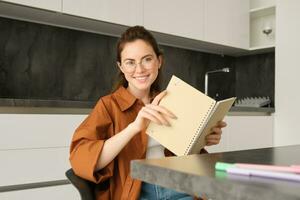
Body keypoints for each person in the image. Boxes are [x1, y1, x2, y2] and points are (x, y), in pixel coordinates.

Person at [69, 26, 226, 200]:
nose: (140, 69)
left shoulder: (172, 99)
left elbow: (186, 154)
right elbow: (80, 159)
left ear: (159, 61)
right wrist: (134, 128)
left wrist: (205, 137)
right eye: (130, 62)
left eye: (147, 59)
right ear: (121, 67)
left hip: (179, 185)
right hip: (139, 192)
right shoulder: (108, 106)